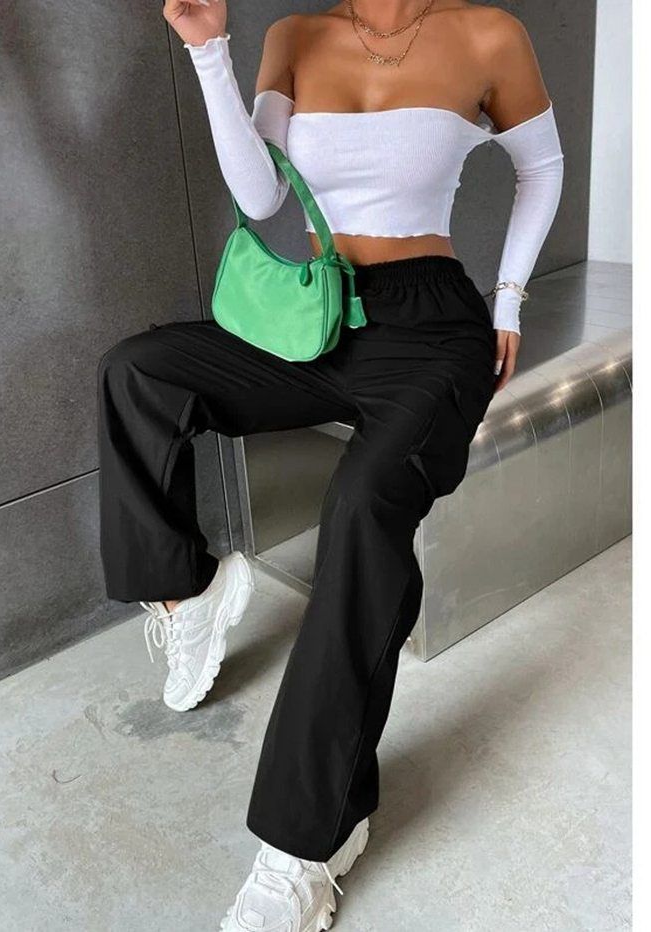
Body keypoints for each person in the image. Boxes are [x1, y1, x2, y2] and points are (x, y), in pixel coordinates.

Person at [97, 1, 564, 928]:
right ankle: (189, 593)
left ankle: (307, 841)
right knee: (137, 372)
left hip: (432, 330)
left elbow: (540, 166)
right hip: (317, 314)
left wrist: (508, 300)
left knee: (361, 504)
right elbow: (261, 198)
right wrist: (208, 53)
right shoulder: (294, 37)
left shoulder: (487, 35)